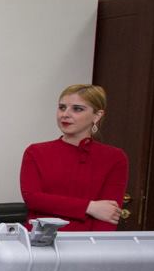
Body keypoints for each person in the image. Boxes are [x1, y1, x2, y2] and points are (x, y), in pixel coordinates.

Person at [19, 84, 128, 231]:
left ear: (97, 115)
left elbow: (108, 214)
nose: (65, 114)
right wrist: (89, 207)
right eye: (62, 107)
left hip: (89, 242)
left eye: (77, 109)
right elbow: (33, 199)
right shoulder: (35, 152)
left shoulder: (115, 158)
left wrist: (94, 244)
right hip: (42, 240)